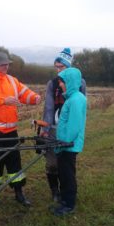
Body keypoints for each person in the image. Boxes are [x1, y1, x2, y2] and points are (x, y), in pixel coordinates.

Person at [0, 51, 41, 207]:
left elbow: (24, 93)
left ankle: (19, 193)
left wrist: (34, 98)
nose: (7, 66)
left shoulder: (11, 80)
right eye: (4, 64)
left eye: (7, 64)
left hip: (11, 132)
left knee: (14, 164)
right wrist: (4, 100)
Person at [41, 48, 86, 203]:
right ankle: (55, 191)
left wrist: (74, 132)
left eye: (61, 67)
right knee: (52, 162)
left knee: (66, 163)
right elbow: (48, 107)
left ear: (69, 67)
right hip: (54, 127)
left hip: (69, 131)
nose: (58, 71)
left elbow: (80, 107)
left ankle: (67, 192)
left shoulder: (80, 84)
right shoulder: (52, 84)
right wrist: (46, 129)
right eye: (56, 67)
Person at [51, 67, 87, 216]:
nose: (60, 85)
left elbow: (73, 127)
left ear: (70, 82)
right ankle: (65, 200)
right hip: (64, 144)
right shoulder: (71, 98)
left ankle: (69, 204)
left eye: (62, 82)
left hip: (69, 145)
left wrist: (62, 143)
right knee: (63, 174)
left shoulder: (77, 100)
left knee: (68, 175)